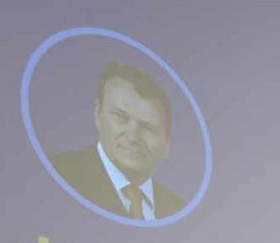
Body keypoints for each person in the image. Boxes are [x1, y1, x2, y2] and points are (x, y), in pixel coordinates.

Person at [49, 61, 188, 220]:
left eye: (148, 127)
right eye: (120, 117)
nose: (133, 137)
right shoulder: (55, 175)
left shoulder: (179, 211)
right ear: (97, 114)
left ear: (167, 145)